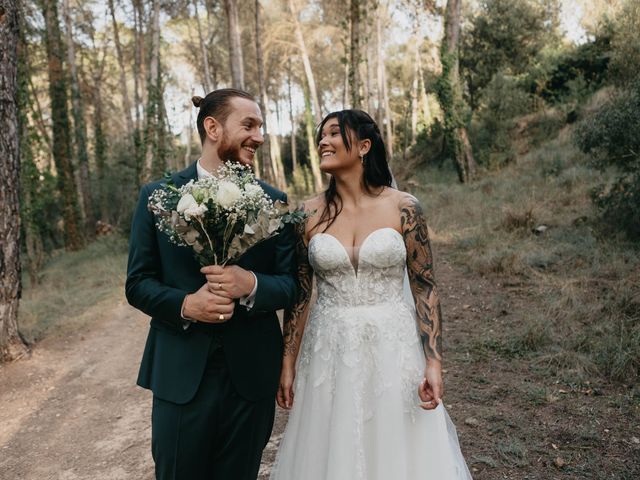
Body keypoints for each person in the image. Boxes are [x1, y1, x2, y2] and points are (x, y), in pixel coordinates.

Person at [270, 109, 472, 479]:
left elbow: (424, 286)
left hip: (393, 347)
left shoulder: (404, 207)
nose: (323, 142)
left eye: (334, 134)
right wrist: (288, 363)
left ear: (363, 146)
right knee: (331, 447)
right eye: (321, 136)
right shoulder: (307, 214)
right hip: (329, 349)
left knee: (397, 446)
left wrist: (433, 362)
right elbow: (300, 293)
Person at [126, 88, 298, 480]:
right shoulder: (157, 197)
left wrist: (251, 283)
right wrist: (186, 305)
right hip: (180, 375)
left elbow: (291, 285)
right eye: (249, 125)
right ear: (213, 127)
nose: (259, 136)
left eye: (261, 127)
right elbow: (137, 283)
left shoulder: (274, 202)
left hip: (250, 376)